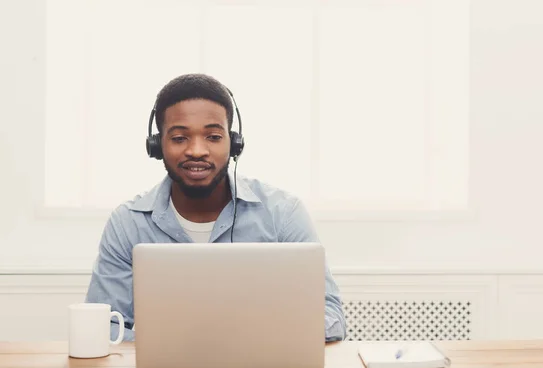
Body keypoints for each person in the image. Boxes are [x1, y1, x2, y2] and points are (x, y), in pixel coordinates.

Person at [84, 73, 347, 342]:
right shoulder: (128, 223)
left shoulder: (283, 213)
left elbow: (331, 317)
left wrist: (248, 339)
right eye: (179, 138)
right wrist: (177, 348)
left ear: (234, 144)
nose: (197, 150)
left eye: (212, 136)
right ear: (157, 145)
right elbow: (102, 326)